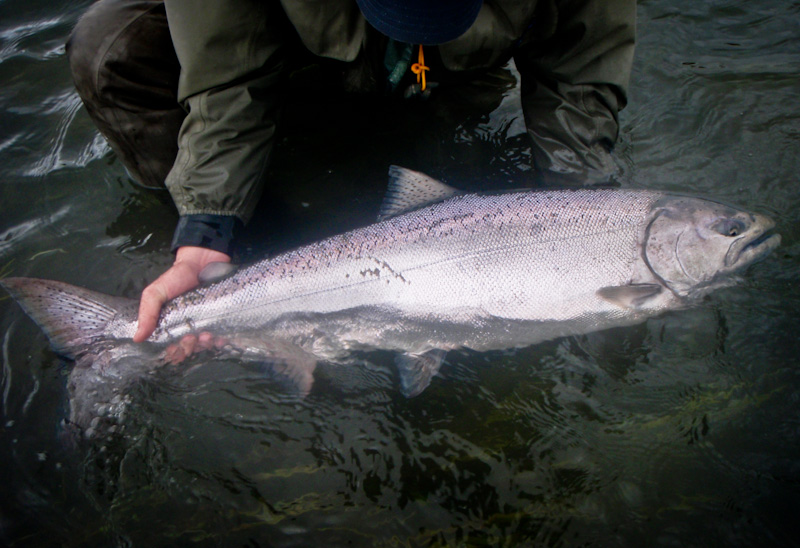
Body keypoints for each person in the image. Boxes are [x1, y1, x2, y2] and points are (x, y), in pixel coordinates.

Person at [66, 0, 636, 343]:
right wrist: (204, 233)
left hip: (449, 73)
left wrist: (586, 222)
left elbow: (580, 74)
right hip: (299, 47)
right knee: (110, 45)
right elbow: (226, 81)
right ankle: (233, 258)